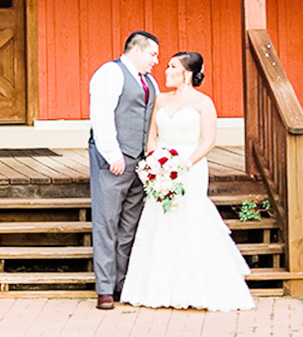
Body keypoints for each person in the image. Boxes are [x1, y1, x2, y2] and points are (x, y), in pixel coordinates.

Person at [119, 51, 255, 311]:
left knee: (190, 218)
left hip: (190, 167)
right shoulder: (159, 100)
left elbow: (208, 141)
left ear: (187, 73)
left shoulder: (203, 103)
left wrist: (184, 165)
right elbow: (152, 136)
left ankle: (195, 287)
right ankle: (157, 289)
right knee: (159, 220)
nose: (166, 71)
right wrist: (154, 163)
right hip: (161, 167)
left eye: (172, 67)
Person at [88, 29, 160, 310]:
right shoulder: (111, 72)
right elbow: (102, 114)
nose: (156, 60)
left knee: (129, 224)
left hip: (140, 162)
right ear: (137, 50)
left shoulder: (149, 81)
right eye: (153, 54)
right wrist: (112, 153)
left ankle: (122, 283)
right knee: (106, 222)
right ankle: (104, 289)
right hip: (115, 160)